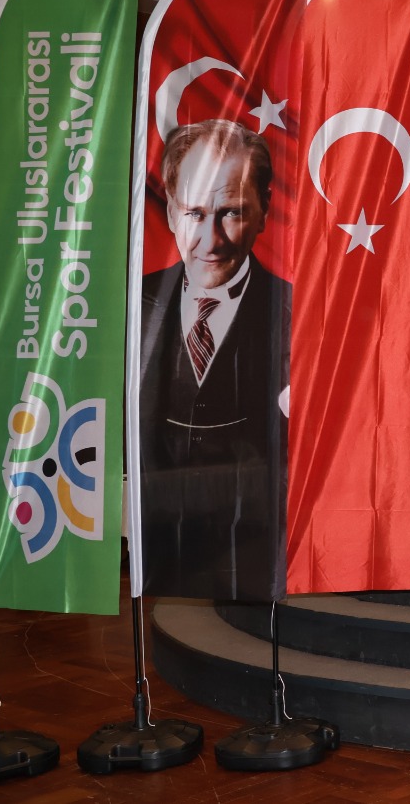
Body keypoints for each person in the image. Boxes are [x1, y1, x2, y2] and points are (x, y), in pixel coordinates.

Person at [137, 118, 290, 601]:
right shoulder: (128, 307)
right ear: (170, 211)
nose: (211, 239)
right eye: (194, 213)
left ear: (264, 209)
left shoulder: (299, 313)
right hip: (162, 556)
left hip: (256, 558)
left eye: (232, 212)